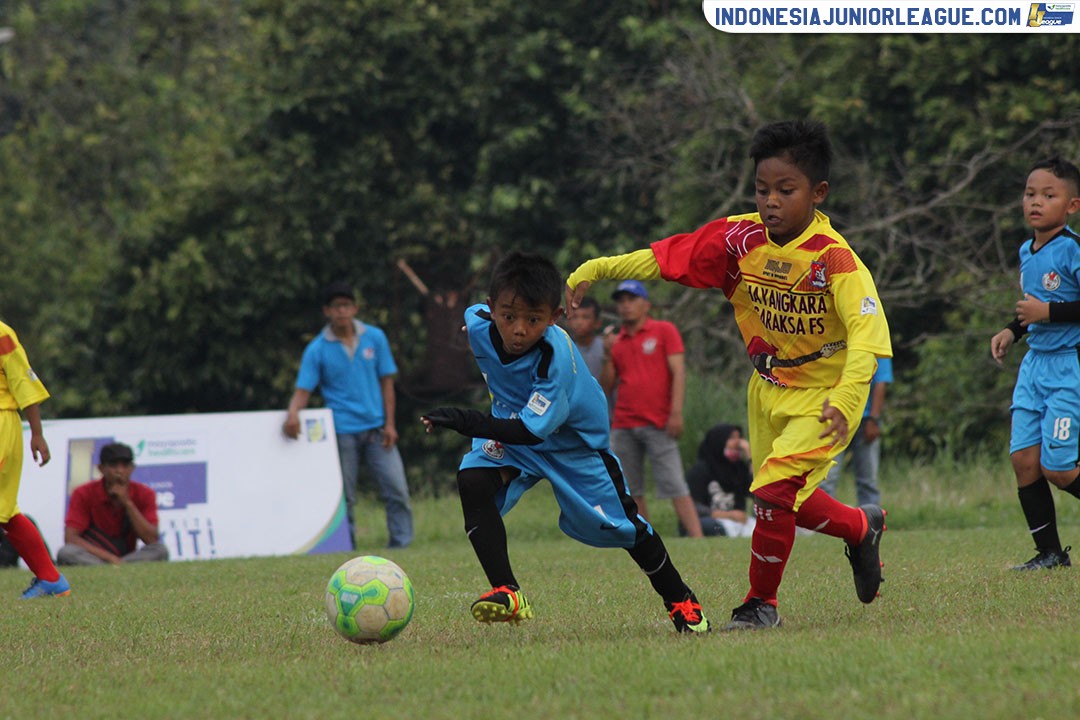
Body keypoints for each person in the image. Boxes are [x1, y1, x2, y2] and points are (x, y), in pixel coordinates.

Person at [567, 119, 892, 631]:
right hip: (767, 389)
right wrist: (598, 267)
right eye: (762, 190)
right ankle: (860, 526)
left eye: (786, 190)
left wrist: (848, 399)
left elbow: (868, 342)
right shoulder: (740, 239)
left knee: (773, 493)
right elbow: (666, 257)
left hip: (825, 396)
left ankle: (760, 604)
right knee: (783, 498)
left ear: (818, 192)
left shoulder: (837, 261)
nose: (770, 201)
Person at [421, 251, 710, 633]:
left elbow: (530, 432)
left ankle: (681, 600)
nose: (518, 330)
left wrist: (465, 421)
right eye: (508, 316)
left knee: (627, 527)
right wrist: (479, 331)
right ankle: (507, 591)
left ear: (555, 317)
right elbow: (474, 318)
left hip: (572, 445)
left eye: (533, 320)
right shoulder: (478, 321)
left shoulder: (554, 359)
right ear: (491, 309)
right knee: (472, 480)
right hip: (516, 430)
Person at [990, 155, 1080, 571]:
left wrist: (1049, 313)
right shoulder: (1027, 250)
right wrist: (1012, 330)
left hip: (1068, 367)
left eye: (1048, 195)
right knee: (1024, 460)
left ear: (1072, 205)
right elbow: (1034, 307)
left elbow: (1048, 308)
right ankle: (1050, 554)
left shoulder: (1073, 249)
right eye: (1030, 194)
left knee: (1058, 468)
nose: (1036, 202)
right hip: (1034, 367)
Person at [283, 281, 414, 549]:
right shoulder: (318, 348)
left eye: (346, 305)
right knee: (346, 497)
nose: (342, 311)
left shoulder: (375, 337)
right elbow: (303, 389)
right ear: (327, 311)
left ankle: (402, 543)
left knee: (396, 488)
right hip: (341, 430)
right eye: (336, 306)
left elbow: (387, 383)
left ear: (355, 308)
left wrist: (391, 424)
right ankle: (347, 545)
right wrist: (293, 413)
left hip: (377, 428)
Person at [602, 280, 704, 538]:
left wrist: (676, 413)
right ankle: (646, 540)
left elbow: (678, 372)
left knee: (675, 484)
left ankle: (697, 537)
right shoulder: (617, 341)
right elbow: (607, 386)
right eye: (621, 301)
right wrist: (607, 354)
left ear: (646, 304)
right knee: (631, 488)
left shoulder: (664, 330)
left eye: (632, 299)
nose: (626, 306)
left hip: (659, 421)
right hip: (624, 423)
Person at [0, 319, 71, 598]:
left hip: (2, 425)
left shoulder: (2, 334)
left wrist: (37, 434)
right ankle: (51, 579)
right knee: (6, 512)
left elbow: (23, 382)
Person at [56, 443, 169, 565]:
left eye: (125, 465)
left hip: (128, 557)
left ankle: (118, 568)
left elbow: (151, 539)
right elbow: (71, 538)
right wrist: (110, 559)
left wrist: (128, 503)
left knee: (160, 550)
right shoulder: (83, 493)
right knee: (66, 553)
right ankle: (117, 568)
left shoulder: (145, 493)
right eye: (113, 465)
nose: (120, 471)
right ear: (101, 469)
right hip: (94, 558)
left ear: (132, 468)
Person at [820, 357, 893, 507]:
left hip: (864, 419)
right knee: (827, 477)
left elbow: (881, 382)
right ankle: (824, 517)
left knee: (867, 479)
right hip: (835, 418)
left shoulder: (873, 345)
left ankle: (870, 517)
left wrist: (873, 419)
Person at [682, 424, 755, 537]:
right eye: (732, 438)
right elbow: (692, 507)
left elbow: (757, 492)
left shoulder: (739, 468)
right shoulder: (701, 469)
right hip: (713, 520)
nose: (738, 443)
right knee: (706, 525)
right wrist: (727, 515)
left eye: (739, 437)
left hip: (737, 522)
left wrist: (750, 457)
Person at [566, 295, 606, 381]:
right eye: (575, 317)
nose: (579, 322)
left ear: (597, 323)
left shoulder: (605, 348)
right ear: (568, 322)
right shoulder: (566, 350)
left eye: (585, 317)